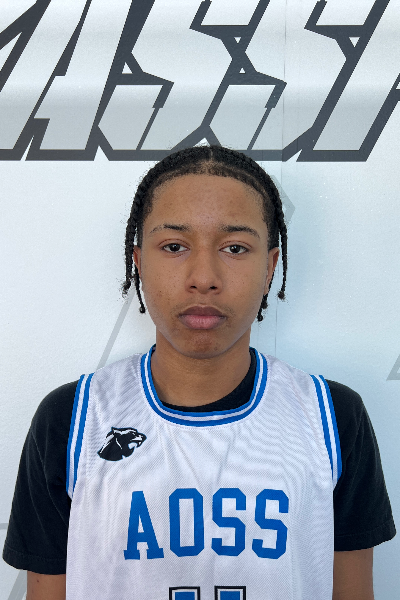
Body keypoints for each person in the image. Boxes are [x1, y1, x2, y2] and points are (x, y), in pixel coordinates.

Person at [3, 146, 396, 600]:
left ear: (270, 267)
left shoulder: (331, 417)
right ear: (139, 263)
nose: (204, 277)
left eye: (235, 248)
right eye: (174, 246)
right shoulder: (72, 419)